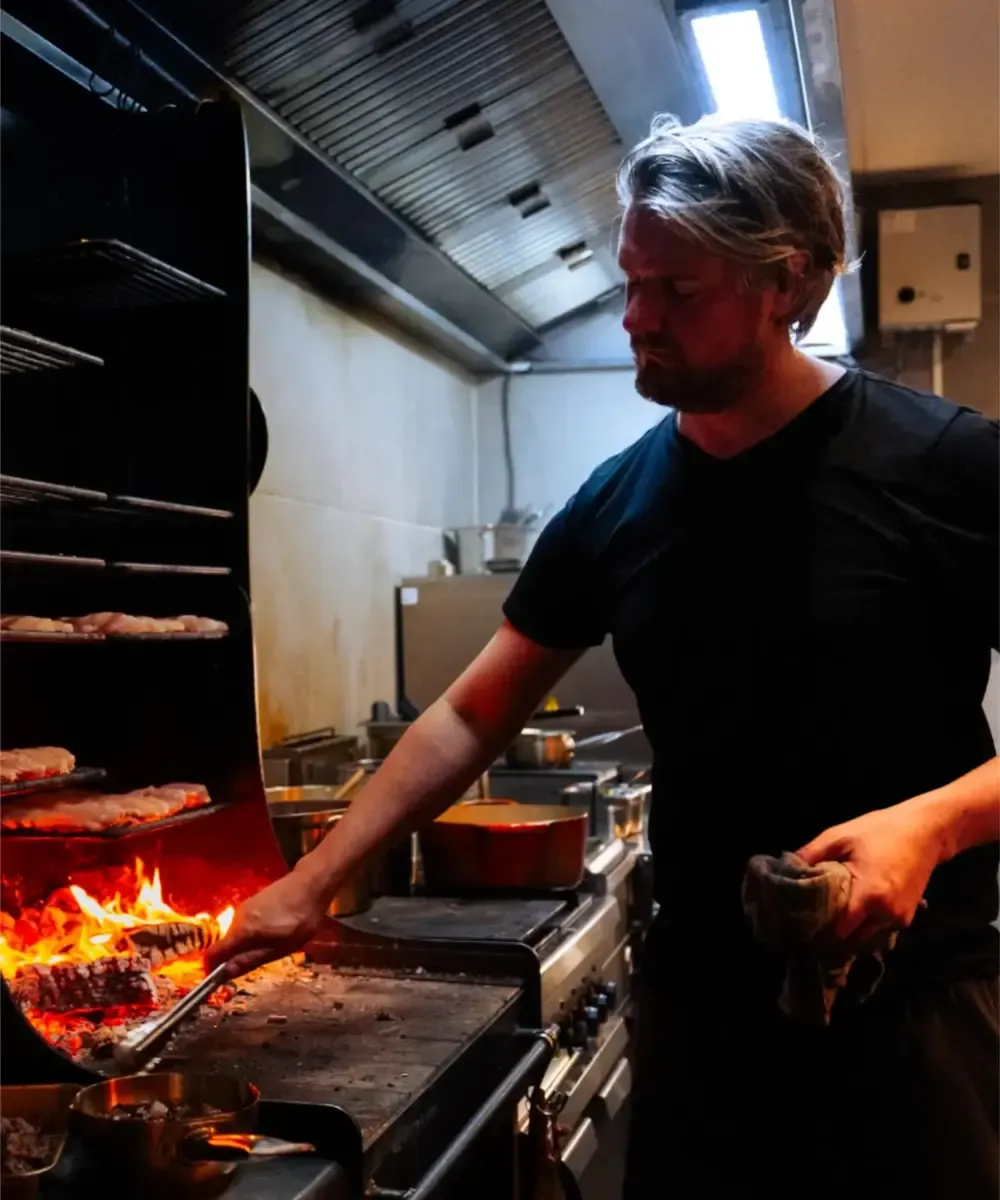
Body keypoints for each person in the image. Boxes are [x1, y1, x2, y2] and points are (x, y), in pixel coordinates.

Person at [209, 115, 999, 1198]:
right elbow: (470, 713)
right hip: (700, 1020)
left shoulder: (943, 465)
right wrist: (312, 878)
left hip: (919, 1016)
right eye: (632, 282)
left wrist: (930, 824)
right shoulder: (617, 501)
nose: (636, 320)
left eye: (678, 292)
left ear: (790, 282)